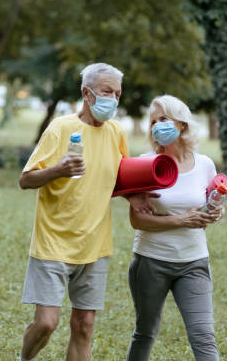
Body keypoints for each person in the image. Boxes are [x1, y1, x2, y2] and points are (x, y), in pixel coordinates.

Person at [18, 63, 153, 361]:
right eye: (107, 91)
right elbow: (25, 180)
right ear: (86, 93)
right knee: (46, 323)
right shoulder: (61, 128)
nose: (114, 100)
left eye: (118, 94)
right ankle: (23, 358)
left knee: (85, 325)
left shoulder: (117, 132)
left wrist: (133, 197)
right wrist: (59, 169)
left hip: (94, 243)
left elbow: (119, 177)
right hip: (53, 241)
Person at [126, 95, 224, 361]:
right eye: (153, 122)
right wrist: (181, 221)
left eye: (164, 119)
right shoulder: (145, 163)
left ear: (181, 124)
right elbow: (137, 220)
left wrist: (216, 212)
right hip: (151, 262)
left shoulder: (205, 164)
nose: (158, 126)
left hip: (194, 262)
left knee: (203, 336)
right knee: (145, 333)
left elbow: (208, 207)